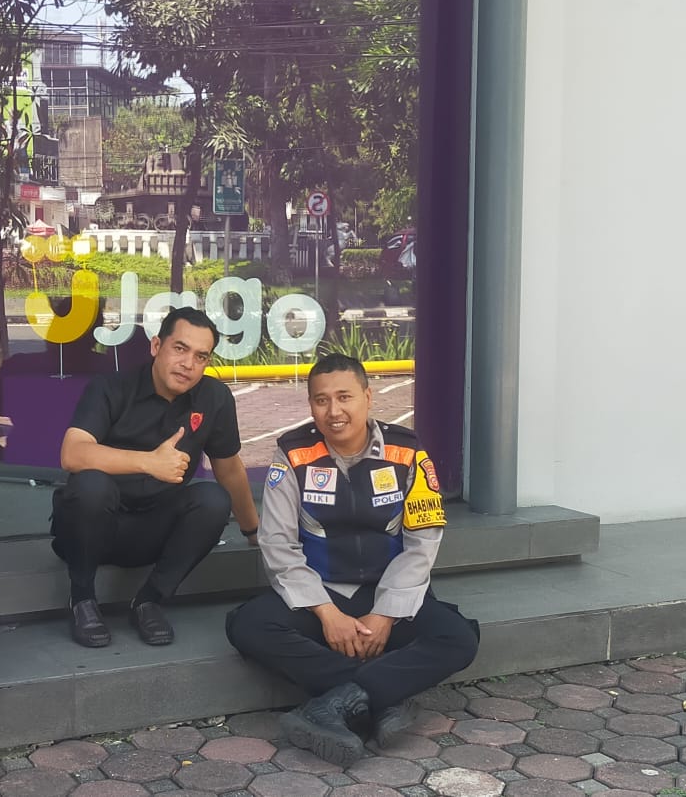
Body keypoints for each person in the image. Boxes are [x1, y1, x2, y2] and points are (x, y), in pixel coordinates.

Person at [225, 353, 478, 765]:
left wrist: (386, 614)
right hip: (321, 595)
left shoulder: (408, 451)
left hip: (386, 594)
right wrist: (327, 614)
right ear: (311, 405)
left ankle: (334, 704)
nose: (334, 411)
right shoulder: (292, 453)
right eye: (321, 400)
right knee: (248, 625)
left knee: (459, 638)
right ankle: (381, 697)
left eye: (344, 397)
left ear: (368, 397)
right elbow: (277, 543)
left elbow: (422, 543)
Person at [53, 305, 260, 648]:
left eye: (200, 356)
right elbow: (72, 454)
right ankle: (83, 598)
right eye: (180, 348)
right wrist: (148, 462)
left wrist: (253, 532)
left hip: (154, 531)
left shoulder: (214, 398)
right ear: (156, 346)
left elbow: (229, 469)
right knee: (91, 485)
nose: (188, 363)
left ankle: (149, 600)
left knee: (212, 499)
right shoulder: (111, 387)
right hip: (91, 531)